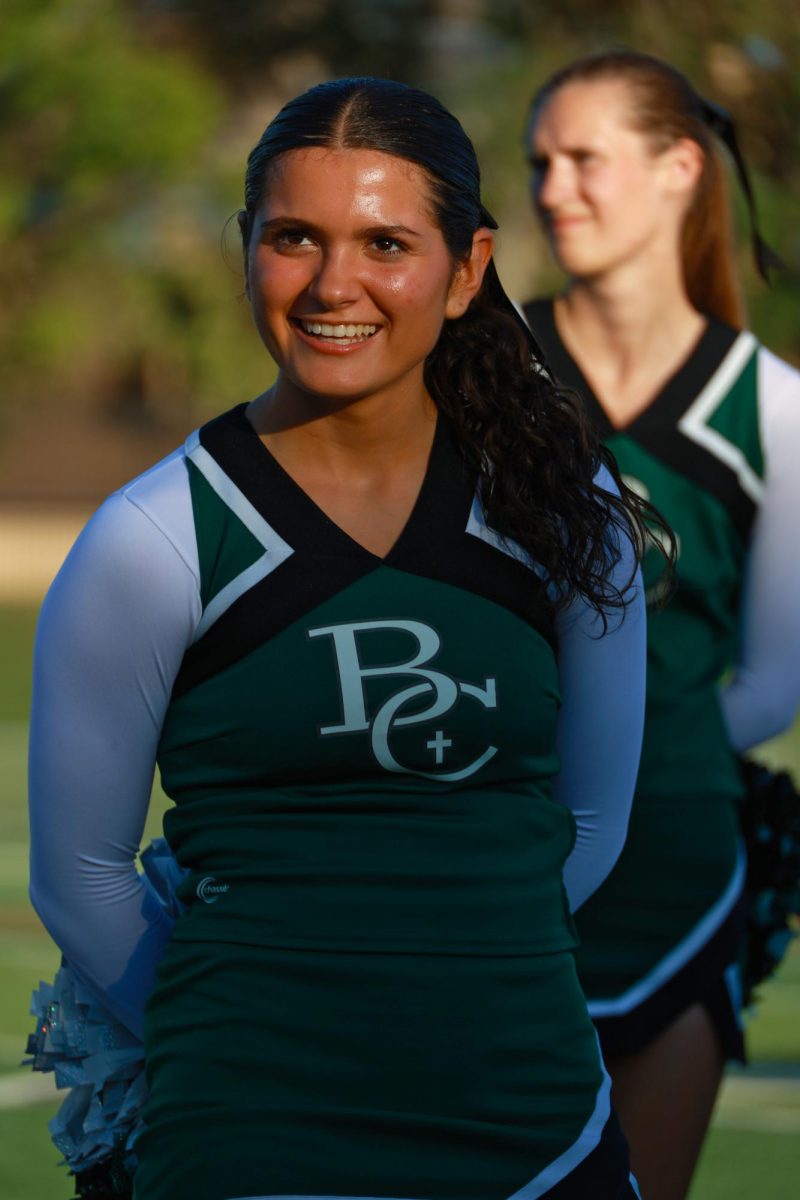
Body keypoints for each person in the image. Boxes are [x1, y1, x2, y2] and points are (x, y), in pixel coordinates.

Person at [29, 77, 651, 1200]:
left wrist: (448, 984)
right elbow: (79, 879)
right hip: (252, 1130)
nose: (333, 284)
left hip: (533, 1121)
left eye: (385, 243)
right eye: (294, 239)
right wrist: (246, 1026)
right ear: (247, 251)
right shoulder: (152, 537)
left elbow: (595, 820)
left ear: (466, 270)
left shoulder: (569, 518)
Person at [522, 49, 800, 1200]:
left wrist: (641, 751)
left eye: (583, 159)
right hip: (497, 869)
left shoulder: (773, 405)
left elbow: (774, 679)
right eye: (538, 163)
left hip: (681, 875)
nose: (551, 189)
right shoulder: (479, 372)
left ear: (679, 168)